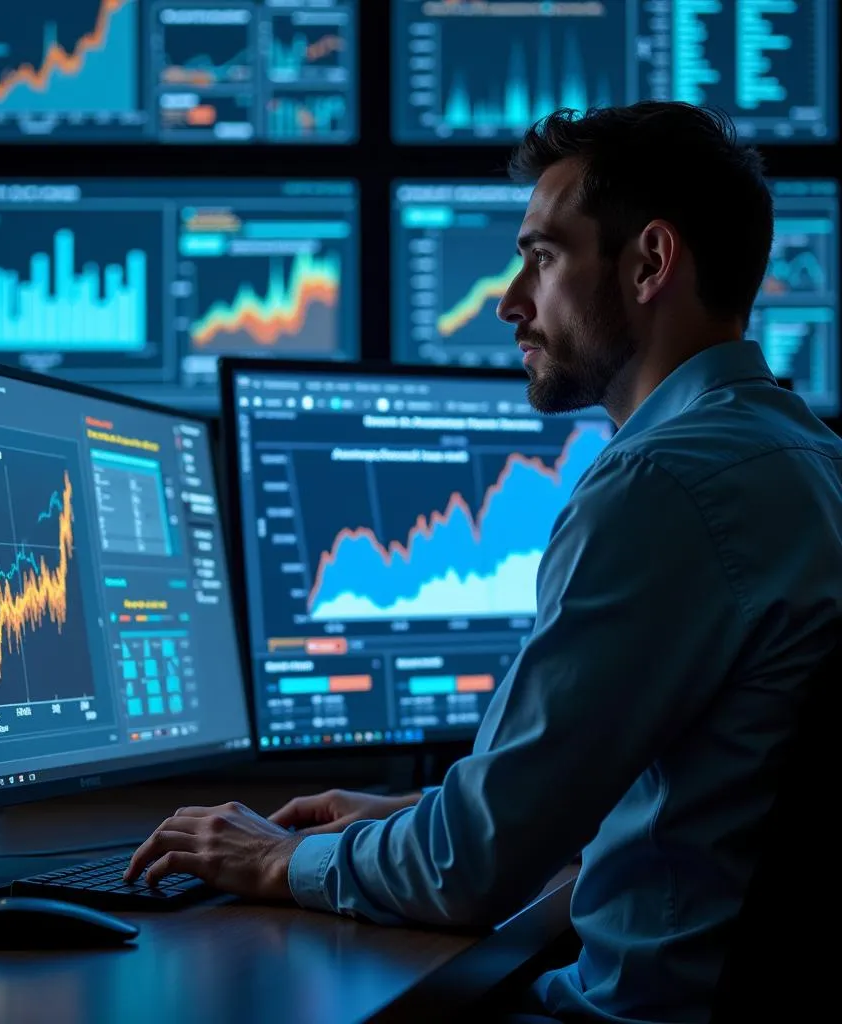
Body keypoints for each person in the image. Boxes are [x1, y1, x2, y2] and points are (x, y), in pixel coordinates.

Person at [125, 102, 842, 1022]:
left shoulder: (661, 484)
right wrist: (411, 812)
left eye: (542, 256)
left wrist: (276, 857)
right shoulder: (806, 458)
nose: (510, 299)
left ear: (651, 262)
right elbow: (659, 781)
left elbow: (470, 867)